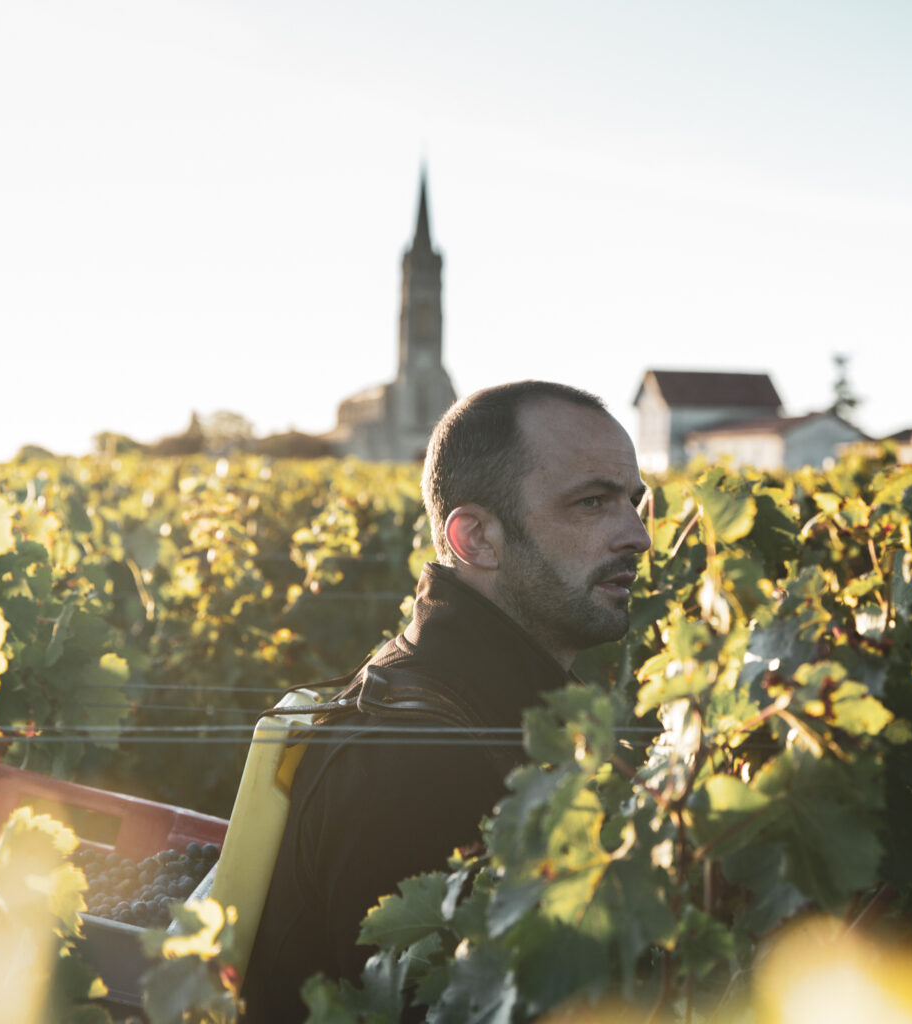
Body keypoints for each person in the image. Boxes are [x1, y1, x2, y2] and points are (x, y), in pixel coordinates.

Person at [241, 380, 651, 1021]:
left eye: (634, 500)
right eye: (592, 503)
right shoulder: (417, 764)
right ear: (475, 539)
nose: (637, 535)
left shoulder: (475, 697)